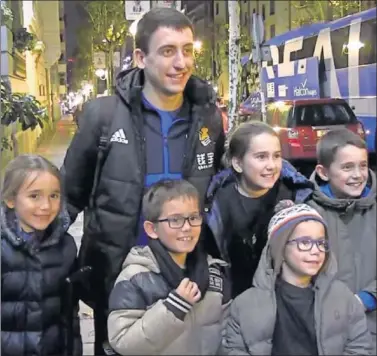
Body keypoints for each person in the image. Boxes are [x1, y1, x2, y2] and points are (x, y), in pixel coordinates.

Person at [61, 7, 225, 354]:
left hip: (185, 279)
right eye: (167, 51)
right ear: (140, 57)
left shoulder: (208, 117)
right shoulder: (103, 117)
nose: (181, 63)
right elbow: (68, 196)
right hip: (116, 280)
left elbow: (225, 183)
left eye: (187, 50)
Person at [223, 203, 373, 355]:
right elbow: (234, 350)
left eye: (321, 243)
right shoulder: (245, 304)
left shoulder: (343, 297)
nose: (316, 251)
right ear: (280, 246)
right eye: (305, 243)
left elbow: (359, 348)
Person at [107, 179, 231, 355]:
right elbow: (123, 342)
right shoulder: (135, 278)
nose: (187, 227)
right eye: (175, 220)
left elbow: (227, 334)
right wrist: (173, 307)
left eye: (194, 218)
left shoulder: (214, 273)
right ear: (152, 229)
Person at [203, 121, 313, 298]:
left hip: (283, 300)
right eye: (261, 157)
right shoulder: (217, 204)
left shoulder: (295, 197)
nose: (271, 165)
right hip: (235, 300)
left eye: (276, 156)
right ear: (238, 163)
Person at [1, 155, 82, 356]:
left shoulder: (65, 246)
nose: (46, 206)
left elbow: (69, 315)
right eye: (34, 196)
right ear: (10, 199)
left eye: (54, 196)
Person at [308, 128, 376, 351]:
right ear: (323, 172)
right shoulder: (309, 214)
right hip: (328, 329)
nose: (357, 175)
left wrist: (367, 298)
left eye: (363, 165)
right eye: (347, 167)